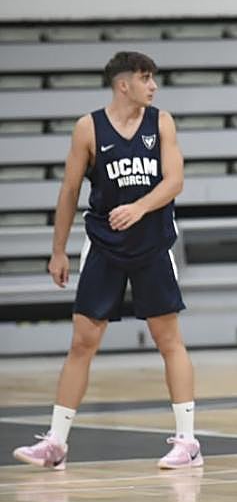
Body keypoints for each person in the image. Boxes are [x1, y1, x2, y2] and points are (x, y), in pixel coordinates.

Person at [12, 51, 201, 471]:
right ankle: (56, 443)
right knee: (82, 342)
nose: (153, 86)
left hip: (152, 244)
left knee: (168, 339)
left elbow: (175, 181)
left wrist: (139, 207)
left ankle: (187, 441)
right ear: (123, 84)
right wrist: (58, 250)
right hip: (104, 246)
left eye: (153, 78)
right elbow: (69, 192)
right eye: (146, 78)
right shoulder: (88, 128)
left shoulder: (161, 123)